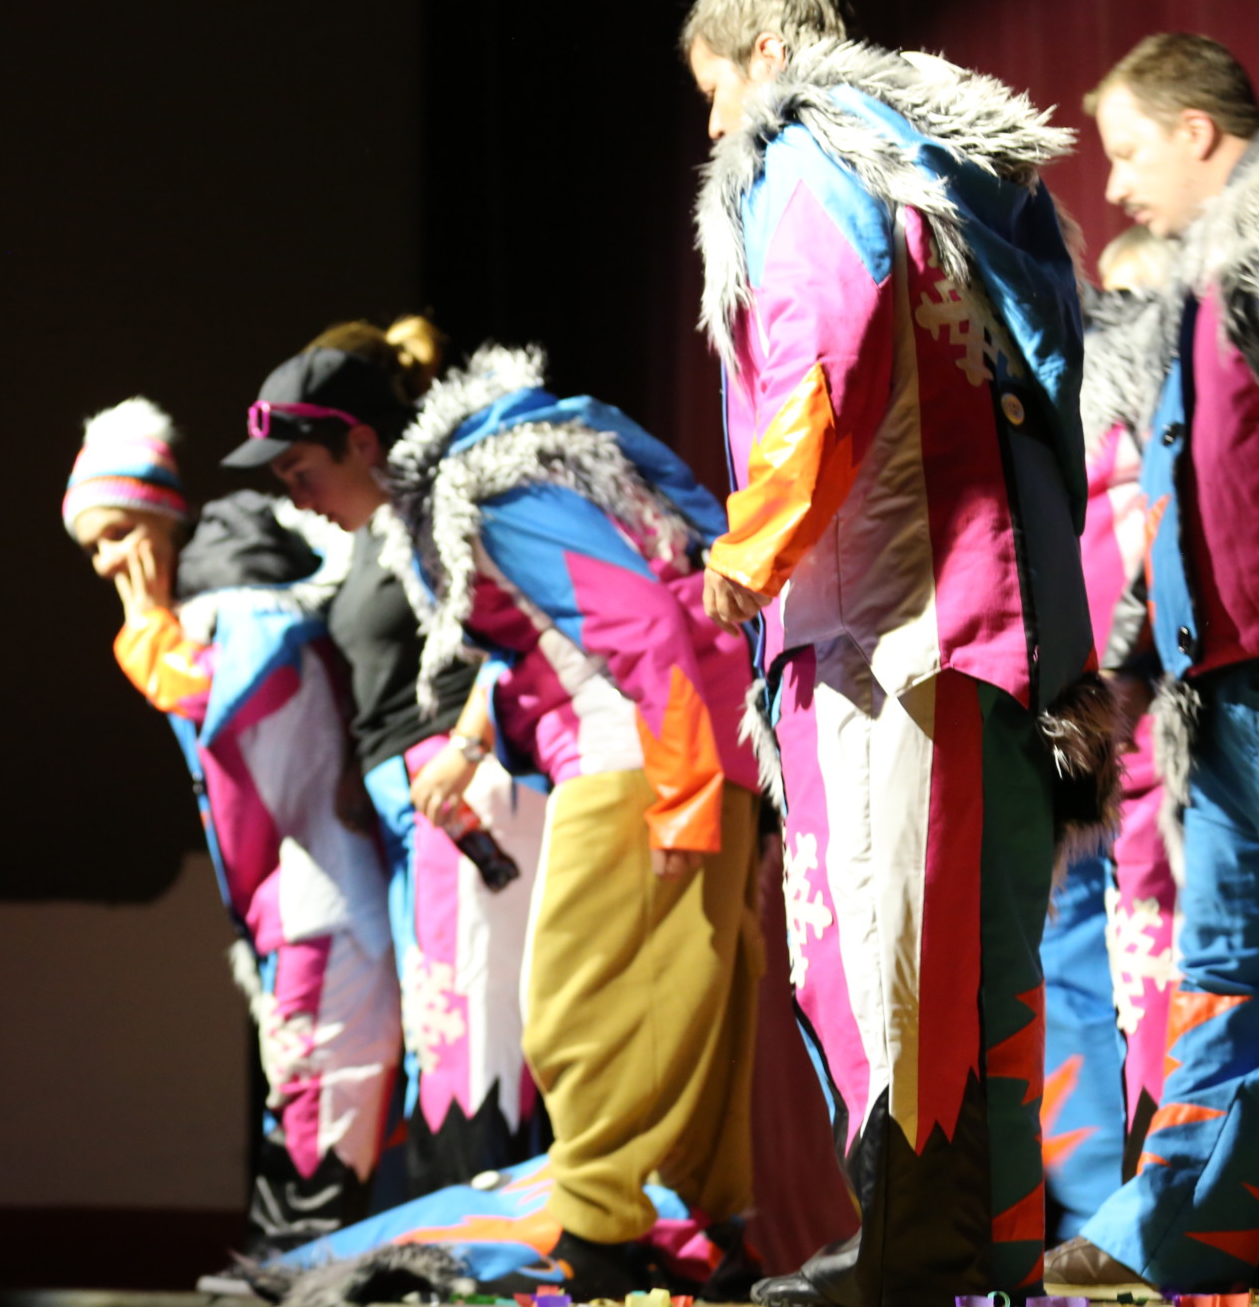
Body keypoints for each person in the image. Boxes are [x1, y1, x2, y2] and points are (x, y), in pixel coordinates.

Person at [682, 0, 1114, 1302]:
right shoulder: (962, 172)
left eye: (714, 95)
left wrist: (751, 545)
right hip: (1003, 618)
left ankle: (915, 1252)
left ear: (766, 51)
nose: (716, 132)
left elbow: (823, 345)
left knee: (888, 937)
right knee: (986, 955)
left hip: (887, 619)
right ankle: (988, 1246)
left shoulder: (809, 146)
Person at [369, 340, 767, 1300]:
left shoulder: (491, 492)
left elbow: (638, 624)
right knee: (687, 1004)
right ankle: (705, 1233)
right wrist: (475, 741)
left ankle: (596, 1235)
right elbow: (564, 630)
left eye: (303, 470)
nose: (297, 495)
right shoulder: (523, 473)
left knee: (578, 1006)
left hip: (641, 756)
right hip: (683, 743)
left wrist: (679, 793)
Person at [1043, 33, 1259, 1297]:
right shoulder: (1193, 281)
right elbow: (1173, 512)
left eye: (1125, 151)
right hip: (1215, 685)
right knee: (1232, 969)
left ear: (1196, 133)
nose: (1112, 185)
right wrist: (1122, 671)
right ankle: (1163, 1233)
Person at [62, 398, 403, 1249]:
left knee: (326, 1098)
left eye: (117, 533)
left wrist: (152, 639)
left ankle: (309, 1268)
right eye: (93, 546)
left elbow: (258, 713)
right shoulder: (204, 612)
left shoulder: (241, 600)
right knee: (310, 1091)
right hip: (301, 905)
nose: (107, 561)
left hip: (324, 898)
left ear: (161, 517)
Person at [223, 320, 548, 1200]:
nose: (297, 498)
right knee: (438, 1013)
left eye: (303, 472)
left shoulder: (440, 506)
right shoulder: (377, 531)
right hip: (411, 798)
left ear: (362, 442)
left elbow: (523, 626)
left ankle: (485, 1240)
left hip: (460, 790)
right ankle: (452, 1227)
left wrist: (469, 746)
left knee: (470, 1016)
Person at [1039, 225, 1181, 1240]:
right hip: (1088, 707)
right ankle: (1105, 1200)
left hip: (1141, 699)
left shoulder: (1156, 398)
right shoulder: (1083, 401)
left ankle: (1145, 1193)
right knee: (1081, 947)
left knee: (1149, 933)